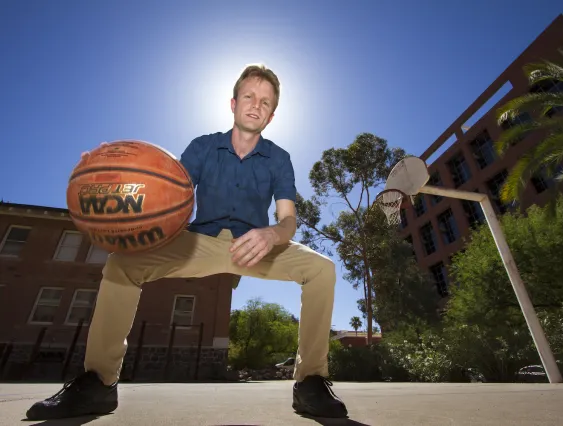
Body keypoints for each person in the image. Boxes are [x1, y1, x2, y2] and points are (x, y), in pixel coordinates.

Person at [26, 64, 348, 420]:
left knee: (322, 269)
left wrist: (273, 233)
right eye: (249, 97)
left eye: (266, 102)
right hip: (200, 241)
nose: (256, 105)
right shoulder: (203, 146)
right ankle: (99, 383)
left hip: (255, 245)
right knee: (121, 265)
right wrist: (113, 167)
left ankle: (310, 383)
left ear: (272, 115)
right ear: (233, 103)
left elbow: (288, 220)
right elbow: (165, 189)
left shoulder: (279, 158)